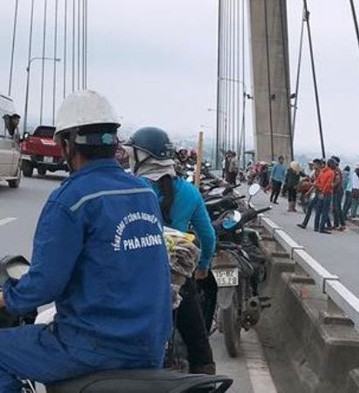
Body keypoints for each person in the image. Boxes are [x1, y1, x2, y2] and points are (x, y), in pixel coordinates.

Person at [0, 90, 172, 392]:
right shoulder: (144, 193)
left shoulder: (70, 201)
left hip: (95, 348)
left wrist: (7, 297)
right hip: (151, 345)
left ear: (66, 144)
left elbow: (44, 285)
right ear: (114, 141)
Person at [125, 127, 217, 374]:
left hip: (133, 277)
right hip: (176, 280)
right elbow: (207, 237)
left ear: (142, 156)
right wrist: (203, 266)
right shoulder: (190, 192)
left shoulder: (130, 188)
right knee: (199, 343)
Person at [315, 158, 337, 234]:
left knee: (318, 210)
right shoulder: (331, 173)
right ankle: (321, 228)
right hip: (327, 193)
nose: (335, 165)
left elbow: (318, 181)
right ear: (331, 164)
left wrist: (320, 191)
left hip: (320, 191)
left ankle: (316, 226)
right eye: (334, 164)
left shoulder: (322, 171)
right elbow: (328, 184)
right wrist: (324, 192)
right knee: (325, 211)